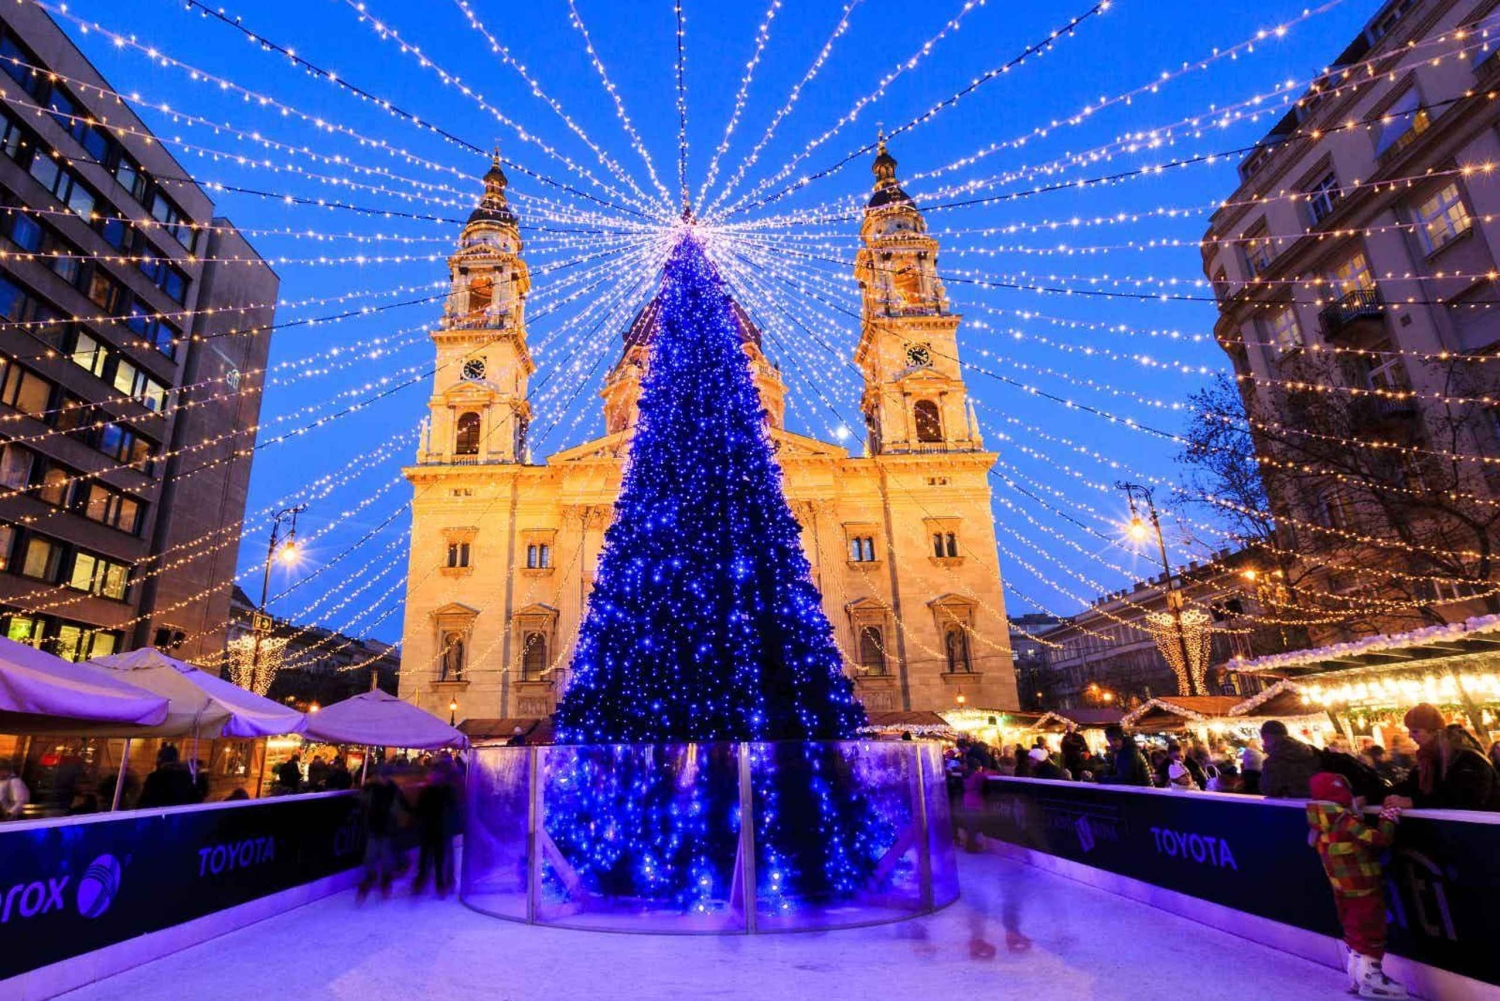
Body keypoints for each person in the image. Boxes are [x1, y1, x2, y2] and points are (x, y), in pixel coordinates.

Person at [1307, 772, 1407, 999]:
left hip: (1341, 888)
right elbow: (1379, 839)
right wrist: (1388, 818)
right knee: (1371, 929)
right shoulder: (1345, 821)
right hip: (1363, 885)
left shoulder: (1319, 823)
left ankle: (1356, 973)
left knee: (1353, 928)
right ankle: (1371, 976)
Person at [1385, 704, 1500, 812]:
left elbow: (1464, 797)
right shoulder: (1427, 760)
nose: (1410, 735)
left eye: (1415, 731)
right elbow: (1410, 786)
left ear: (1433, 731)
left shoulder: (1466, 759)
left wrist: (1414, 802)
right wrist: (1384, 796)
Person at [357, 765, 406, 901]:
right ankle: (371, 875)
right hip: (374, 826)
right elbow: (363, 801)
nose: (381, 778)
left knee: (385, 856)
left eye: (383, 776)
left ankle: (385, 878)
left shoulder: (392, 789)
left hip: (386, 827)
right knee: (370, 855)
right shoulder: (371, 788)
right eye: (379, 776)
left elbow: (401, 804)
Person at [413, 759, 459, 896]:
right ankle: (429, 880)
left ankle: (441, 882)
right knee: (427, 856)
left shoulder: (447, 789)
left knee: (439, 857)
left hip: (440, 829)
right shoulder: (429, 790)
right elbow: (421, 809)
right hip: (431, 829)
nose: (433, 775)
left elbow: (453, 808)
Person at [1259, 721, 1322, 799]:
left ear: (1268, 738)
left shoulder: (1274, 760)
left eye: (1264, 740)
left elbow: (1269, 789)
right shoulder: (1308, 750)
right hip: (1317, 801)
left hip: (1292, 805)